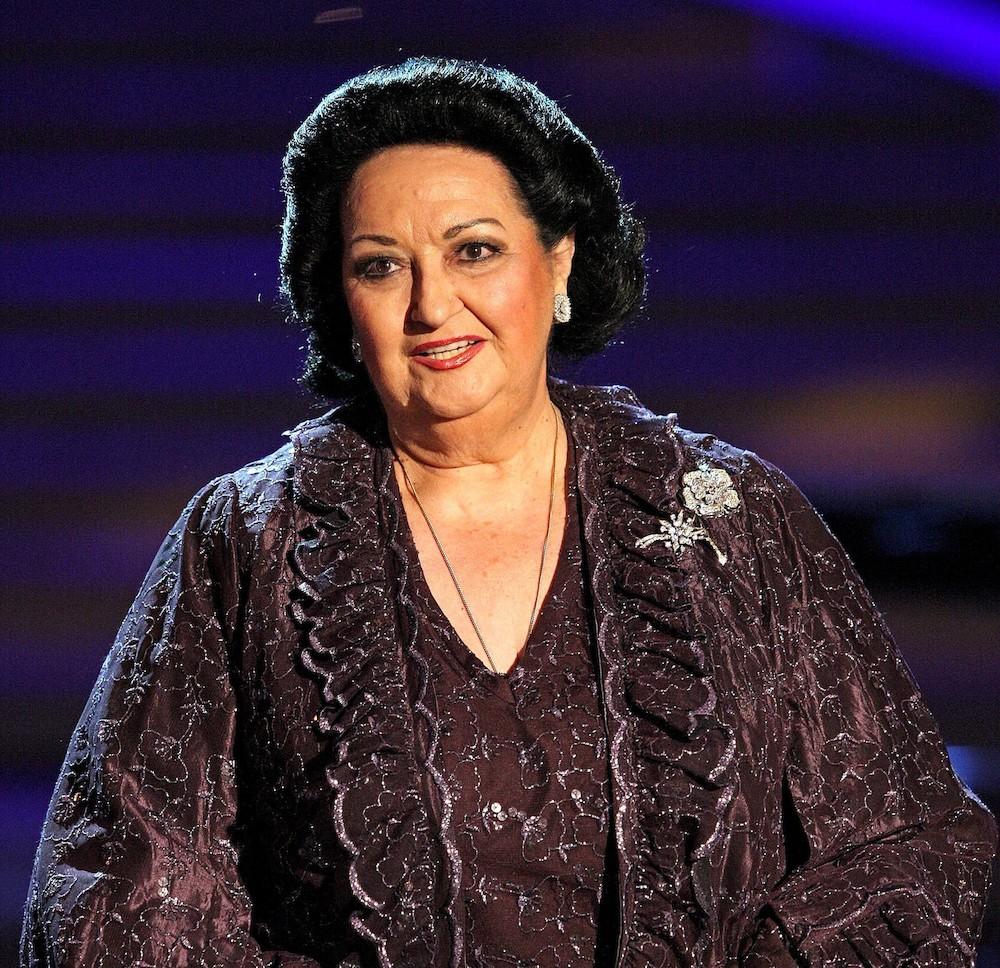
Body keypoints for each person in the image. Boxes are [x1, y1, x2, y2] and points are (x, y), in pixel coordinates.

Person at [20, 55, 997, 968]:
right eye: (380, 265)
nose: (432, 305)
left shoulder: (735, 519)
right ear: (339, 301)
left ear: (559, 261)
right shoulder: (246, 538)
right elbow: (117, 894)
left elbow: (912, 843)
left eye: (474, 250)